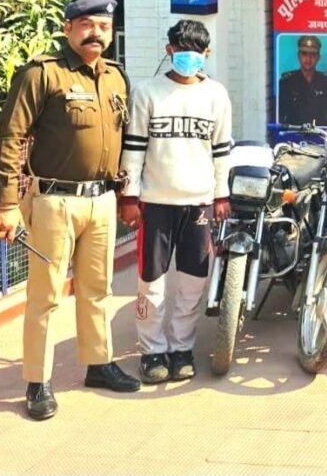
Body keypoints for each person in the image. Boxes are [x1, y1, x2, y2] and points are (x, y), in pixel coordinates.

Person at [0, 0, 141, 421]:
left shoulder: (115, 77)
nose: (96, 33)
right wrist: (6, 203)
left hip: (102, 200)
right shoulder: (42, 74)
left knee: (98, 290)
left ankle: (98, 363)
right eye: (87, 25)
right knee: (45, 296)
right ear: (68, 27)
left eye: (104, 26)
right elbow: (11, 138)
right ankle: (37, 381)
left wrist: (126, 194)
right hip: (54, 201)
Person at [118, 20, 233, 384]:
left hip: (199, 202)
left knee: (193, 281)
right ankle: (152, 351)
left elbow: (221, 151)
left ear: (207, 53)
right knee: (151, 281)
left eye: (196, 51)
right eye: (182, 50)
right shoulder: (147, 92)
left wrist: (221, 194)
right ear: (169, 50)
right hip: (154, 203)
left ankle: (182, 348)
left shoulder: (216, 95)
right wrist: (129, 197)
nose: (189, 57)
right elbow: (133, 149)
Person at [278, 35, 327, 127]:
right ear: (298, 56)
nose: (308, 59)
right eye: (304, 54)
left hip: (319, 131)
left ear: (318, 57)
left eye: (313, 55)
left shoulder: (326, 82)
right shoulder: (287, 82)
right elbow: (280, 115)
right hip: (294, 132)